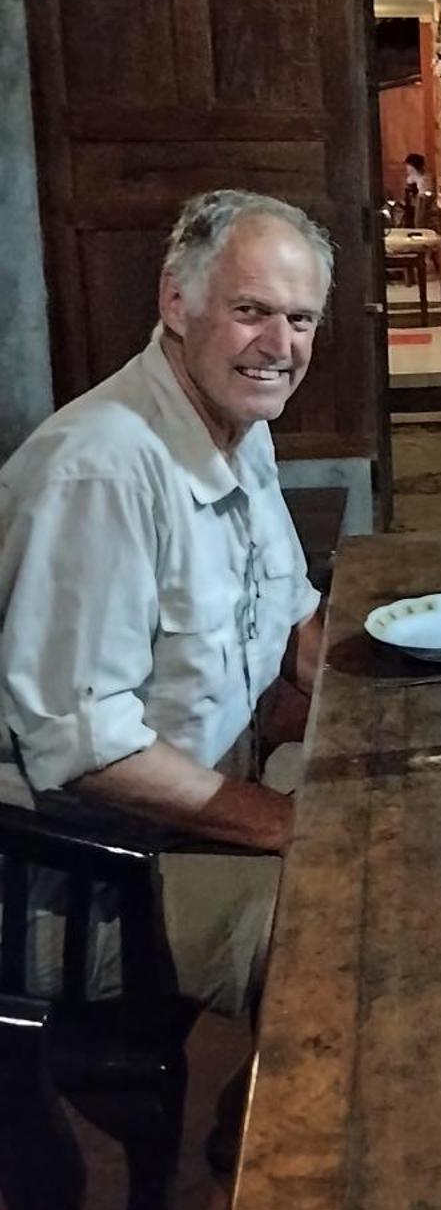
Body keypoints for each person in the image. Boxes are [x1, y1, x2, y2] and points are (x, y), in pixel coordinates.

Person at [0, 189, 332, 1018]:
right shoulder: (102, 470)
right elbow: (90, 747)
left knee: (408, 814)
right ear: (175, 303)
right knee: (354, 926)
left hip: (190, 811)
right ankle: (283, 1141)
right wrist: (287, 824)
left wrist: (431, 694)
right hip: (78, 876)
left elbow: (292, 616)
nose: (279, 346)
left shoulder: (233, 417)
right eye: (251, 311)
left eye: (301, 320)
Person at [402, 151, 432, 228]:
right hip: (410, 208)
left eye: (408, 165)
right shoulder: (410, 178)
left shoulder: (424, 179)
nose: (406, 168)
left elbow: (424, 198)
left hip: (419, 207)